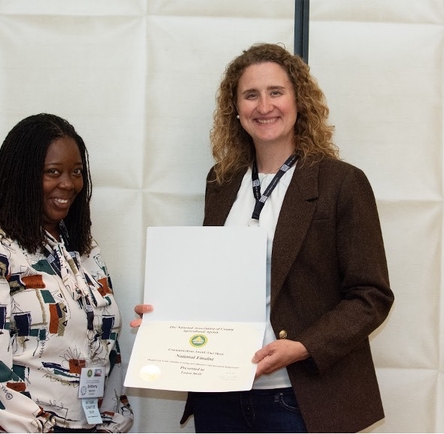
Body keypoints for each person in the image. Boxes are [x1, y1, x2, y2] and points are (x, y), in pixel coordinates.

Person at [133, 42, 394, 433]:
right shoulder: (220, 182)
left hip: (299, 398)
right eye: (251, 95)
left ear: (298, 101)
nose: (264, 105)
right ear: (236, 110)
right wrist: (166, 321)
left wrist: (302, 347)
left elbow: (371, 297)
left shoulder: (342, 183)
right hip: (220, 394)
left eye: (276, 92)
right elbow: (214, 283)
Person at [0, 113, 133, 433]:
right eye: (52, 172)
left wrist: (110, 421)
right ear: (22, 176)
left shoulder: (83, 251)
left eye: (76, 172)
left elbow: (103, 345)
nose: (68, 184)